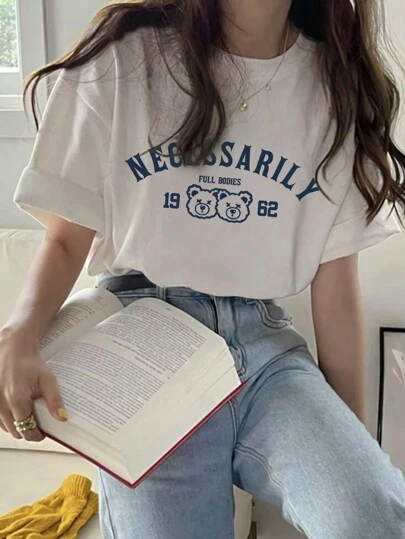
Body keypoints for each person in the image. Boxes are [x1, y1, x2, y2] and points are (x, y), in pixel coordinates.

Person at [1, 0, 405, 537]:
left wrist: (350, 443)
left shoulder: (336, 82)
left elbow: (336, 286)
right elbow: (65, 240)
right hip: (146, 343)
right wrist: (20, 332)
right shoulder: (127, 58)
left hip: (266, 352)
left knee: (372, 516)